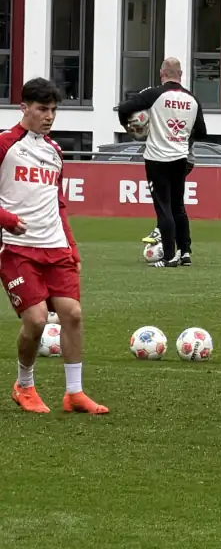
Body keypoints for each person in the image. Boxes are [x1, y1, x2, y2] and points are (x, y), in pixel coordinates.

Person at [0, 78, 108, 415]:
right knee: (35, 321)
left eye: (53, 110)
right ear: (24, 108)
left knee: (72, 314)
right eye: (42, 109)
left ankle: (74, 393)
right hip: (17, 247)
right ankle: (24, 384)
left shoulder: (55, 151)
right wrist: (5, 218)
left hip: (56, 247)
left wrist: (72, 248)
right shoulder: (5, 144)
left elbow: (57, 203)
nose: (49, 116)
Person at [117, 57, 207, 268]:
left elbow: (124, 108)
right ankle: (185, 252)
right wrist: (183, 136)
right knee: (178, 206)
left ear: (161, 73)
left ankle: (168, 256)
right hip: (181, 157)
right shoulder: (192, 99)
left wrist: (131, 128)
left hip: (157, 158)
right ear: (181, 75)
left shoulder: (154, 94)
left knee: (163, 207)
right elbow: (202, 132)